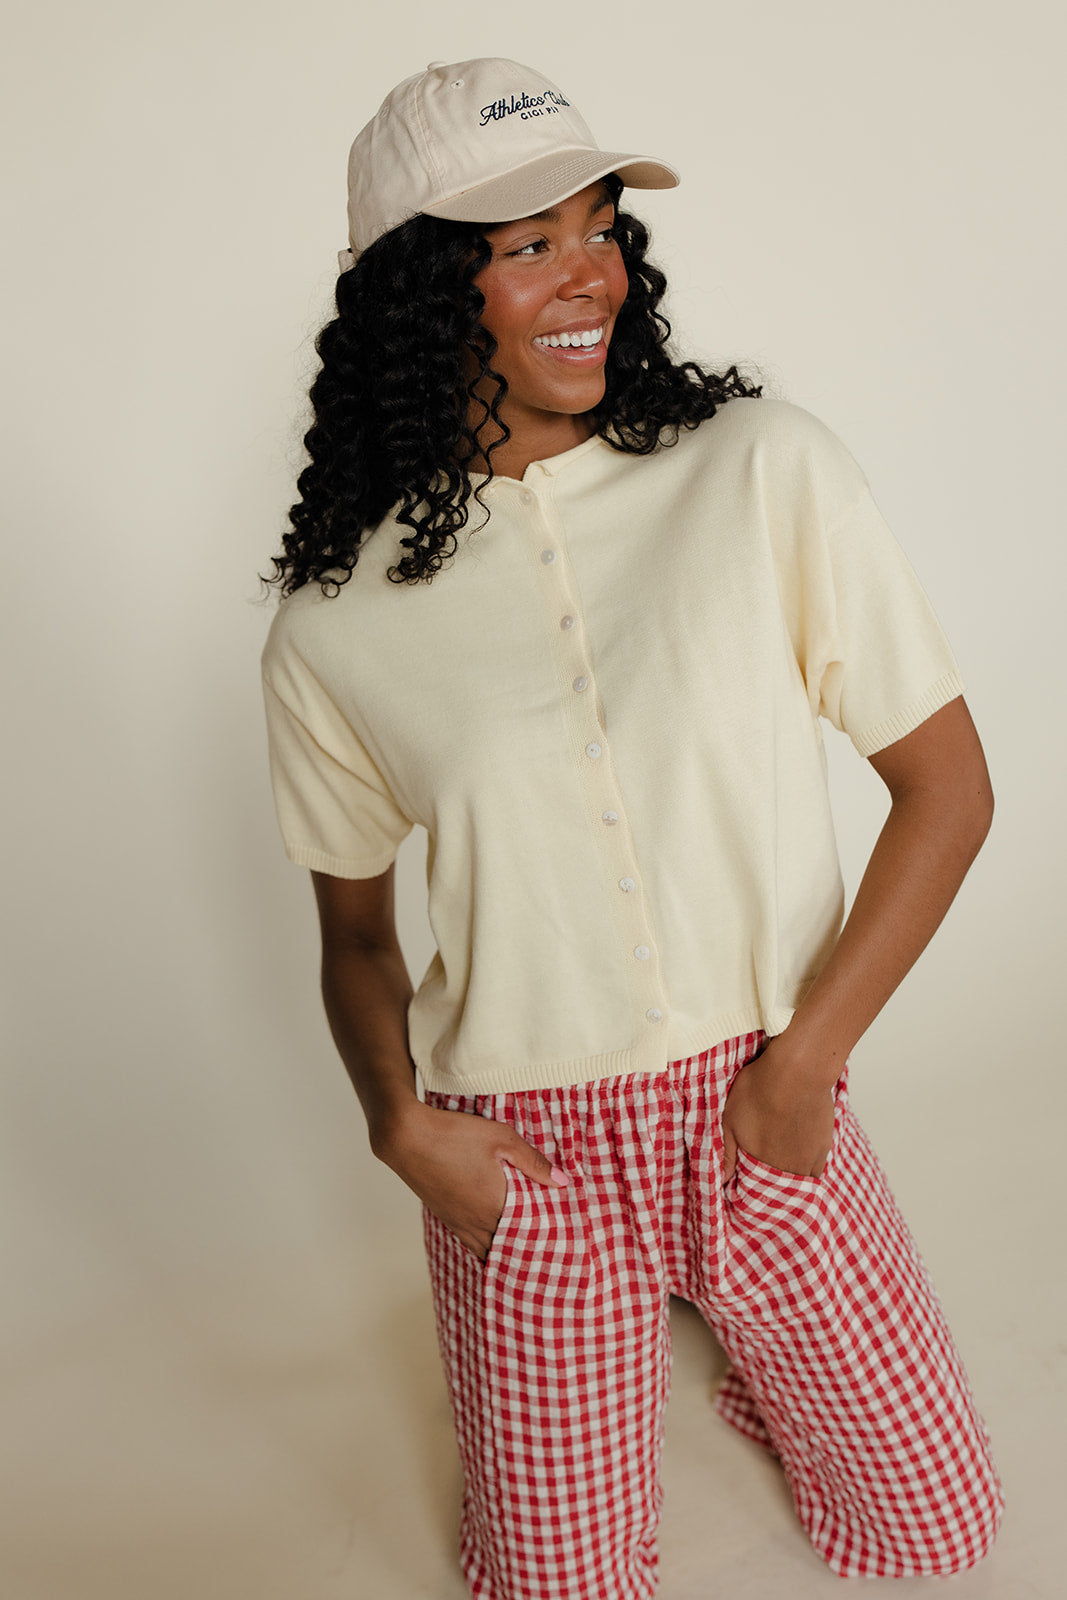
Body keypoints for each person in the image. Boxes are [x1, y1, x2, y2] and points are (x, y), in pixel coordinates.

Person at [260, 56, 1004, 1600]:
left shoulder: (759, 473)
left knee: (939, 1532)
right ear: (415, 290)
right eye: (526, 245)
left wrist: (803, 1073)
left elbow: (949, 786)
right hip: (523, 1158)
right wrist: (400, 1127)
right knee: (557, 1588)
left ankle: (749, 1359)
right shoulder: (337, 620)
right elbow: (353, 938)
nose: (587, 273)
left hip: (762, 1106)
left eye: (598, 227)